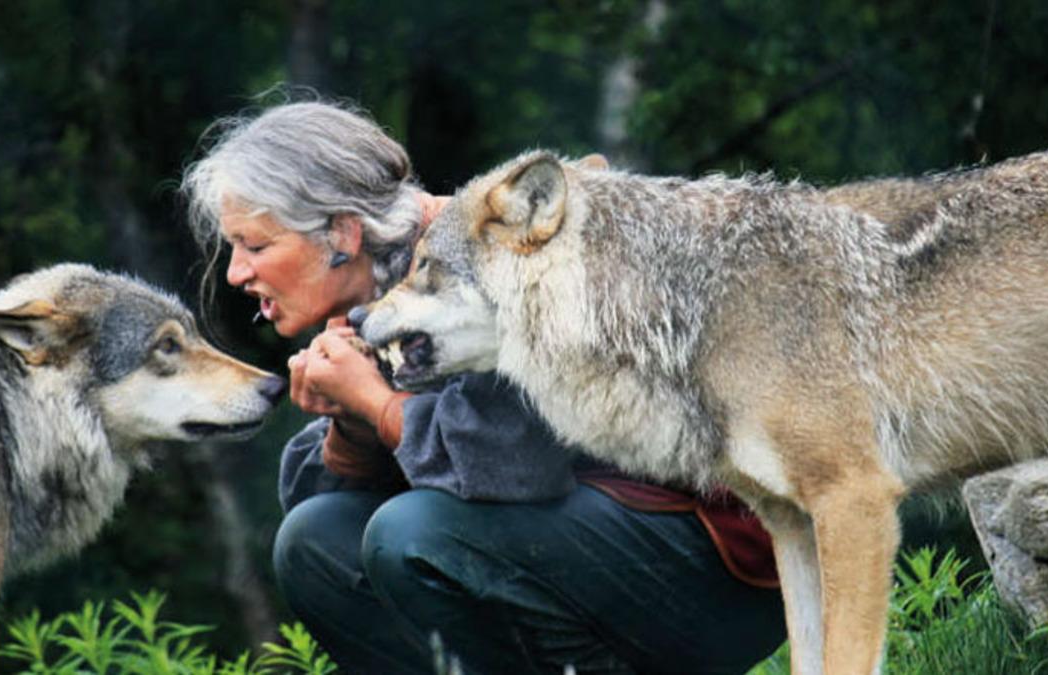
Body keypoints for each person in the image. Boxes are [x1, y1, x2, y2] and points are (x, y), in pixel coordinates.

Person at [182, 99, 786, 675]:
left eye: (256, 245)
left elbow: (513, 468)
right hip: (592, 553)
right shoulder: (367, 289)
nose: (237, 272)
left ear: (342, 233)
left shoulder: (491, 255)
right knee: (313, 543)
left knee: (411, 534)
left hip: (714, 570)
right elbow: (320, 499)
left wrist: (372, 401)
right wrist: (351, 422)